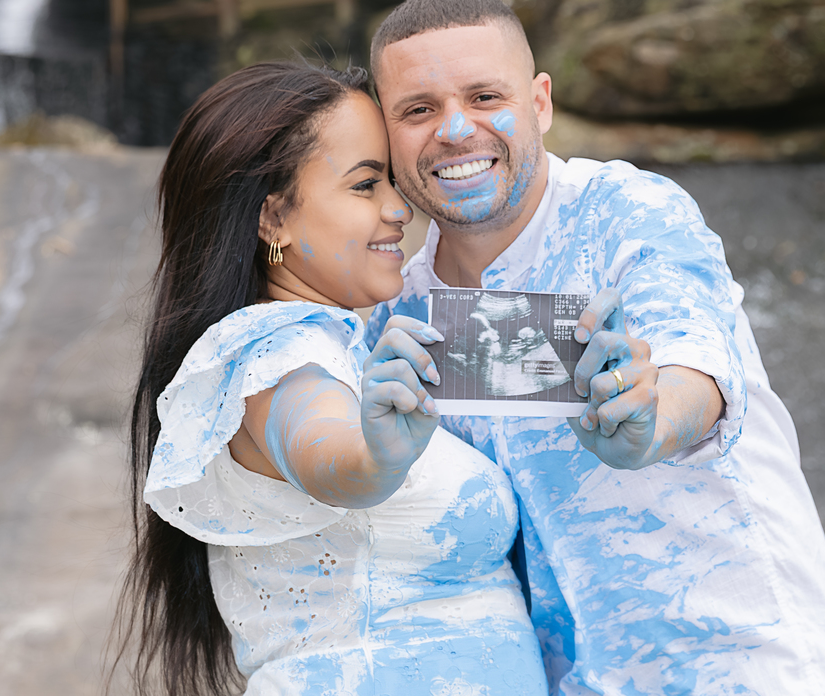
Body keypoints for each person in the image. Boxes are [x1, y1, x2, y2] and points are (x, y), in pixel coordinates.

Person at [366, 0, 825, 695]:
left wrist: (651, 416)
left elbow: (694, 369)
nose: (454, 129)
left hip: (742, 665)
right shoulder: (401, 311)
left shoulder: (629, 214)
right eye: (418, 109)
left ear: (540, 103)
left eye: (484, 96)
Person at [114, 62, 550, 695]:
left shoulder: (363, 343)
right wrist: (373, 456)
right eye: (366, 185)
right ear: (273, 220)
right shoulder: (271, 354)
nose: (399, 208)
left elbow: (595, 378)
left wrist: (606, 361)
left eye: (392, 182)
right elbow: (327, 451)